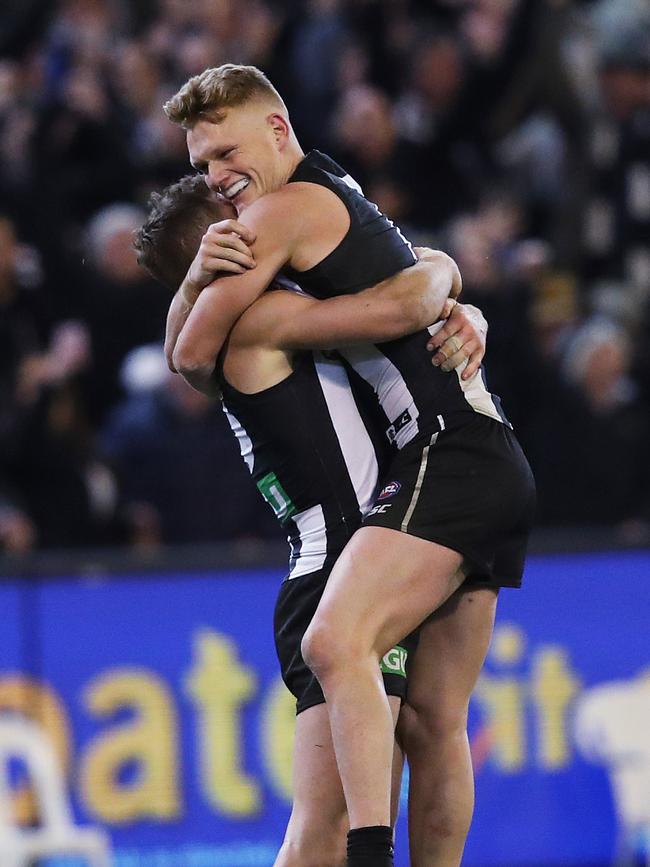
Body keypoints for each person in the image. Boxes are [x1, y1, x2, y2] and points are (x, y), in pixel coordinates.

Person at [162, 64, 535, 867]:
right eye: (202, 168)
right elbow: (412, 277)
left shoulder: (285, 209)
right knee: (436, 722)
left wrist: (426, 293)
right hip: (482, 449)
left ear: (277, 129)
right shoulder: (336, 189)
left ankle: (374, 853)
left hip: (443, 453)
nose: (221, 183)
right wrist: (443, 286)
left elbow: (189, 353)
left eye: (224, 153)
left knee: (340, 648)